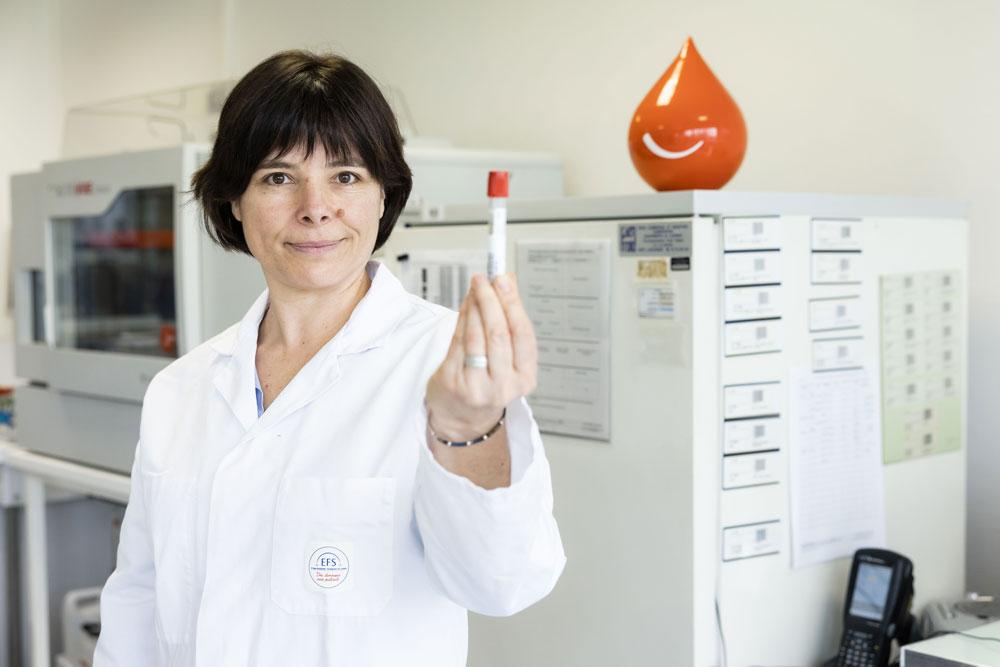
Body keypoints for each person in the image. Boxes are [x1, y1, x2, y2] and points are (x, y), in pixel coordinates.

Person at [93, 50, 566, 666]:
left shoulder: (448, 365)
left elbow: (502, 584)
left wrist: (467, 429)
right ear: (234, 199)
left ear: (382, 197)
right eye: (278, 177)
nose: (315, 207)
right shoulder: (180, 389)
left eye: (346, 176)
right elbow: (137, 602)